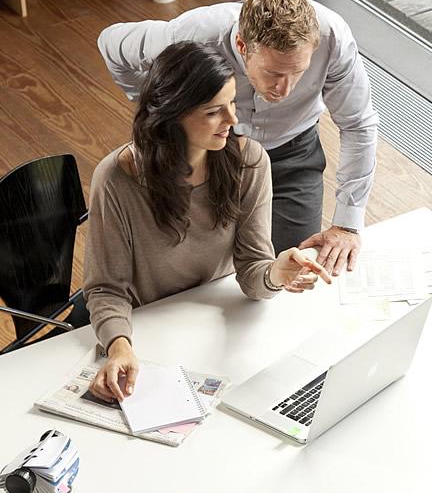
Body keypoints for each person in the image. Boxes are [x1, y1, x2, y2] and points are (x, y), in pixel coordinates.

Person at [84, 41, 331, 402]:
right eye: (214, 111)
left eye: (232, 104)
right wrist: (119, 347)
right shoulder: (116, 178)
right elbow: (106, 288)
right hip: (150, 328)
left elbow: (251, 272)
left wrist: (277, 271)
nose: (233, 120)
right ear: (172, 117)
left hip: (218, 317)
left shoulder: (249, 162)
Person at [97, 0, 379, 277]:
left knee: (294, 271)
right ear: (243, 46)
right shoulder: (190, 37)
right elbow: (111, 44)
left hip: (293, 154)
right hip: (209, 157)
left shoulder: (332, 37)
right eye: (274, 73)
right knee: (198, 275)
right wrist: (161, 106)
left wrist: (347, 223)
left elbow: (358, 123)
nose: (285, 89)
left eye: (298, 72)